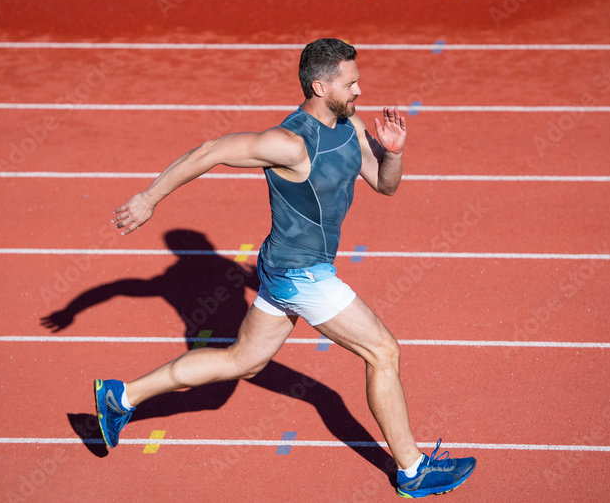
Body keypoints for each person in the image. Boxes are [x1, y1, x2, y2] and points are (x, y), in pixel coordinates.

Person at [94, 38, 475, 498]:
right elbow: (211, 150)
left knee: (242, 361)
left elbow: (384, 184)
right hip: (301, 274)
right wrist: (148, 198)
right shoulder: (289, 143)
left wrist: (392, 152)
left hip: (285, 268)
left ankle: (121, 396)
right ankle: (412, 470)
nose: (359, 90)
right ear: (320, 86)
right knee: (383, 352)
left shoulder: (350, 124)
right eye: (350, 83)